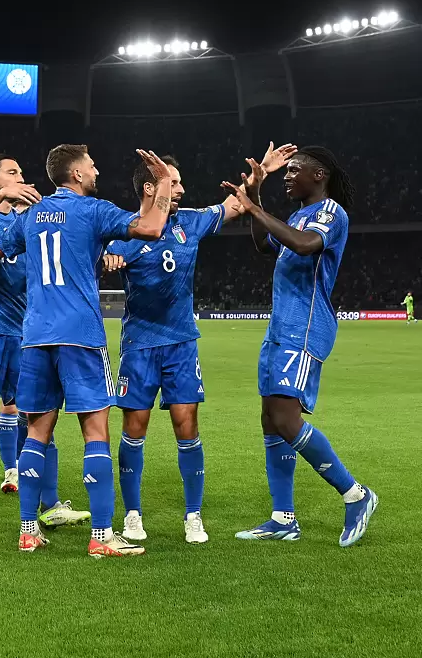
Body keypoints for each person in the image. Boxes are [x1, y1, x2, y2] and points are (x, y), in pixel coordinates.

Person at [0, 145, 174, 557]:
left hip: (35, 336)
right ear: (76, 174)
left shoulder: (31, 214)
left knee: (36, 432)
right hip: (80, 335)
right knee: (95, 432)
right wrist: (162, 182)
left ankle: (27, 531)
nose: (96, 171)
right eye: (91, 166)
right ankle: (101, 536)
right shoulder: (94, 210)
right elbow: (150, 228)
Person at [104, 144, 297, 545]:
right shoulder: (125, 230)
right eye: (172, 183)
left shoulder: (190, 222)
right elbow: (94, 258)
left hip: (181, 345)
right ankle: (133, 514)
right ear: (150, 188)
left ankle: (193, 515)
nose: (180, 190)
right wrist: (107, 259)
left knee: (187, 426)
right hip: (139, 344)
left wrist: (259, 176)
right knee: (134, 429)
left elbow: (236, 204)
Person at [220, 146, 377, 547]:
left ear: (318, 174)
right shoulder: (294, 216)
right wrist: (255, 194)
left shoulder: (330, 213)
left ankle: (356, 495)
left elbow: (306, 245)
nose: (287, 176)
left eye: (294, 170)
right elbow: (264, 246)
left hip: (305, 327)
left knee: (287, 418)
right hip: (281, 327)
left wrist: (254, 209)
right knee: (270, 419)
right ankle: (283, 518)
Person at [0, 154, 87, 531]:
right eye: (12, 173)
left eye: (21, 173)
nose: (21, 178)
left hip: (27, 335)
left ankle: (50, 503)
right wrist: (1, 198)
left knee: (37, 416)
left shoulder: (27, 221)